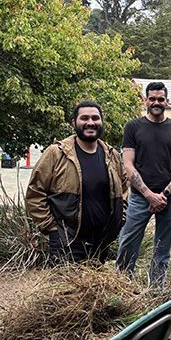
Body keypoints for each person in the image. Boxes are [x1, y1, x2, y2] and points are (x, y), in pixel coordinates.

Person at [26, 100, 127, 263]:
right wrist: (51, 228)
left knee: (97, 288)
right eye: (84, 118)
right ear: (74, 122)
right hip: (67, 241)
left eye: (95, 118)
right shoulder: (56, 153)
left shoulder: (112, 155)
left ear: (101, 121)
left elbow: (124, 191)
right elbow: (35, 193)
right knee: (63, 288)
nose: (90, 123)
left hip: (102, 242)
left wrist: (120, 220)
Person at [116, 81, 171, 285]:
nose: (156, 102)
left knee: (162, 250)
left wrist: (164, 195)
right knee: (128, 244)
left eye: (160, 99)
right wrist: (149, 195)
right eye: (152, 98)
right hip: (140, 198)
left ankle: (155, 293)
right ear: (145, 100)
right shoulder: (133, 127)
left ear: (167, 101)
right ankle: (121, 287)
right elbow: (128, 166)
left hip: (170, 199)